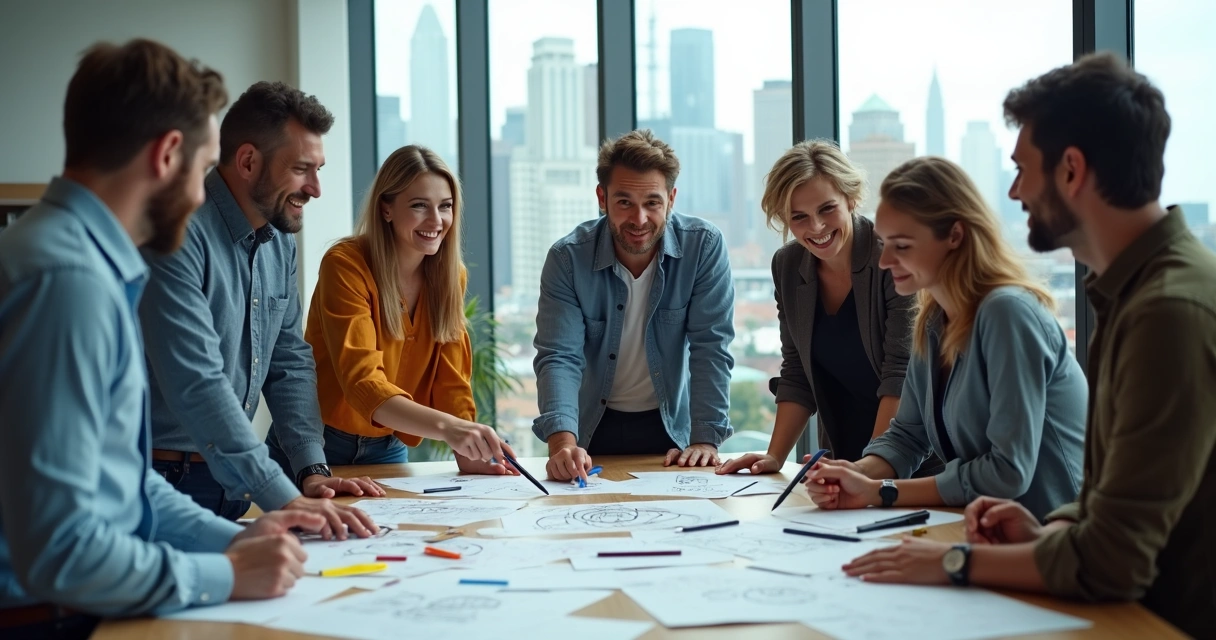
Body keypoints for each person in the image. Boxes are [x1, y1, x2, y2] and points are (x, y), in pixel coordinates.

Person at [842, 52, 1216, 639]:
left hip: (1151, 621)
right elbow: (1115, 504)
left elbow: (1114, 557)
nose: (1014, 191)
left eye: (1022, 168)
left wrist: (951, 561)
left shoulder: (1167, 310)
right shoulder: (1138, 293)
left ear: (1071, 169)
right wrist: (1050, 531)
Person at [0, 39, 326, 640]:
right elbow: (61, 550)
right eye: (204, 166)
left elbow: (124, 476)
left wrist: (244, 540)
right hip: (43, 619)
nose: (206, 193)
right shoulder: (67, 281)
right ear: (168, 155)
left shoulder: (86, 263)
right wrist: (225, 573)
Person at [138, 81, 382, 532]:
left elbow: (288, 360)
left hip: (233, 485)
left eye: (319, 169)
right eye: (302, 169)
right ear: (248, 161)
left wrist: (312, 473)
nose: (316, 188)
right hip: (165, 480)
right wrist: (283, 496)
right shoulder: (177, 235)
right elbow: (198, 384)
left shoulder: (279, 243)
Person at [803, 155, 1086, 520]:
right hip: (985, 530)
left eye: (901, 246)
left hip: (1053, 543)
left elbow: (1007, 471)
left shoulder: (1008, 313)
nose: (885, 261)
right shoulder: (933, 319)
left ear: (955, 235)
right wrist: (852, 475)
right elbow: (906, 436)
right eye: (884, 243)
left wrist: (880, 492)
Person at [533, 129, 735, 481]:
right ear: (602, 197)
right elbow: (559, 355)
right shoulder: (567, 258)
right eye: (624, 202)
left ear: (671, 199)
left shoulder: (703, 247)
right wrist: (562, 443)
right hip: (590, 430)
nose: (639, 219)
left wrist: (706, 439)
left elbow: (711, 347)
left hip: (671, 429)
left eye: (652, 203)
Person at [305, 145, 516, 470]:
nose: (436, 221)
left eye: (445, 206)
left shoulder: (450, 276)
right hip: (318, 444)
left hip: (388, 446)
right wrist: (452, 430)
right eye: (419, 206)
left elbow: (451, 379)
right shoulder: (345, 265)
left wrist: (470, 454)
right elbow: (363, 383)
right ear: (386, 208)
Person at [717, 140, 914, 475]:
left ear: (851, 198)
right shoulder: (788, 265)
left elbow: (902, 377)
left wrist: (871, 468)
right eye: (799, 217)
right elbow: (797, 372)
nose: (817, 227)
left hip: (911, 462)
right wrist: (774, 457)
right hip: (844, 459)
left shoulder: (891, 257)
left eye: (827, 209)